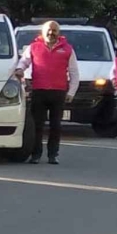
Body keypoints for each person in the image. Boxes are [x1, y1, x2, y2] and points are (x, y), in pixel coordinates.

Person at [18, 20, 80, 164]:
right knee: (37, 125)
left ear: (59, 33)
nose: (51, 33)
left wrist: (71, 92)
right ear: (43, 32)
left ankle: (53, 155)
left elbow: (74, 73)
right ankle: (36, 154)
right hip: (39, 91)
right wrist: (20, 69)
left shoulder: (68, 49)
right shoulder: (33, 47)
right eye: (49, 30)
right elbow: (24, 62)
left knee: (55, 125)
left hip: (58, 93)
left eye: (54, 31)